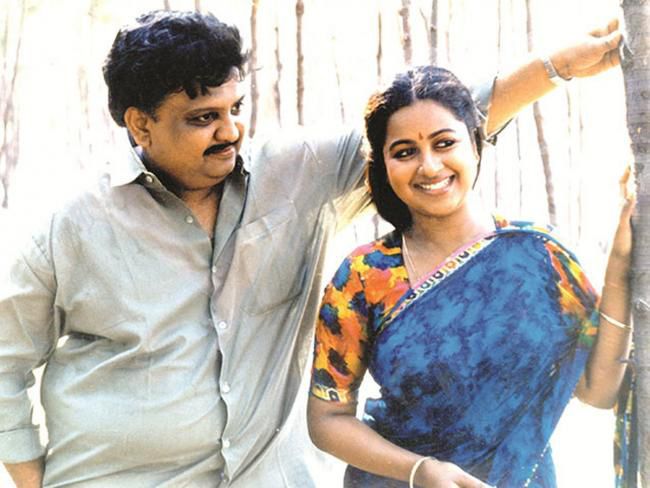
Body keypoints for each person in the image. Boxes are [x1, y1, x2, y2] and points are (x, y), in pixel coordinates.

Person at [0, 9, 623, 488]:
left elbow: (432, 126)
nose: (230, 131)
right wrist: (31, 479)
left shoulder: (290, 175)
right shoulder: (69, 225)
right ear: (140, 124)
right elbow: (4, 359)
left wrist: (558, 65)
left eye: (236, 108)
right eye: (203, 117)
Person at [307, 65, 634, 487]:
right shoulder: (365, 277)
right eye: (404, 152)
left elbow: (598, 389)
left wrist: (620, 265)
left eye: (444, 143)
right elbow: (327, 418)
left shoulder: (538, 256)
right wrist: (418, 469)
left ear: (476, 145)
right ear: (384, 164)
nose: (429, 166)